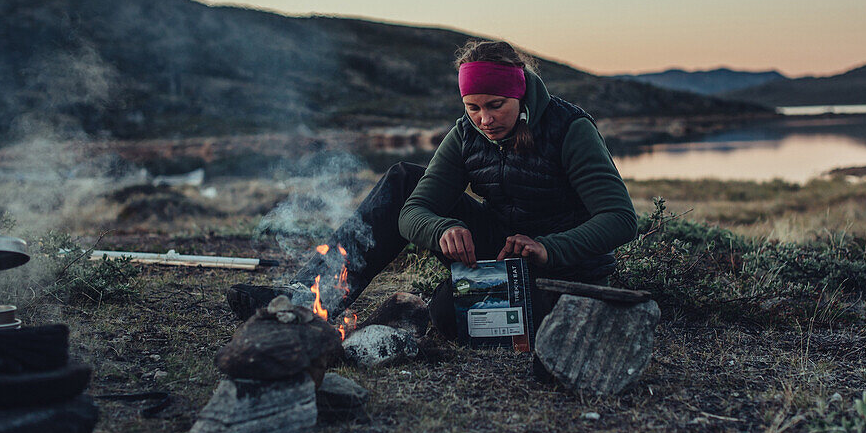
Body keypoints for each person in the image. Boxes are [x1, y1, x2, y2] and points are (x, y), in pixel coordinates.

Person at [228, 40, 638, 337]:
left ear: (521, 95)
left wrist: (550, 248)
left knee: (445, 315)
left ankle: (499, 306)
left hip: (562, 264)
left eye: (496, 105)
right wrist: (441, 229)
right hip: (497, 250)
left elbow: (620, 219)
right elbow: (412, 210)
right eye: (472, 107)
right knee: (404, 178)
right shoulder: (466, 134)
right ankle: (307, 301)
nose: (485, 119)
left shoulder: (570, 129)